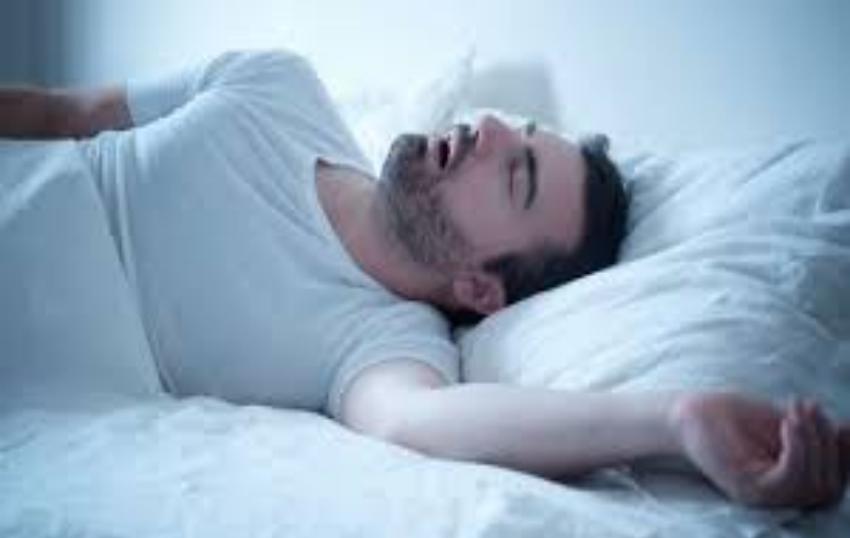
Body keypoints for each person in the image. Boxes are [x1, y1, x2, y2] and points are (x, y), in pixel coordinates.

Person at [1, 49, 847, 508]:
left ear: (481, 289)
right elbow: (57, 113)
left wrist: (675, 420)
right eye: (515, 129)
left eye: (515, 174)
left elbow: (425, 424)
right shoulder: (275, 84)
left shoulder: (384, 346)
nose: (486, 129)